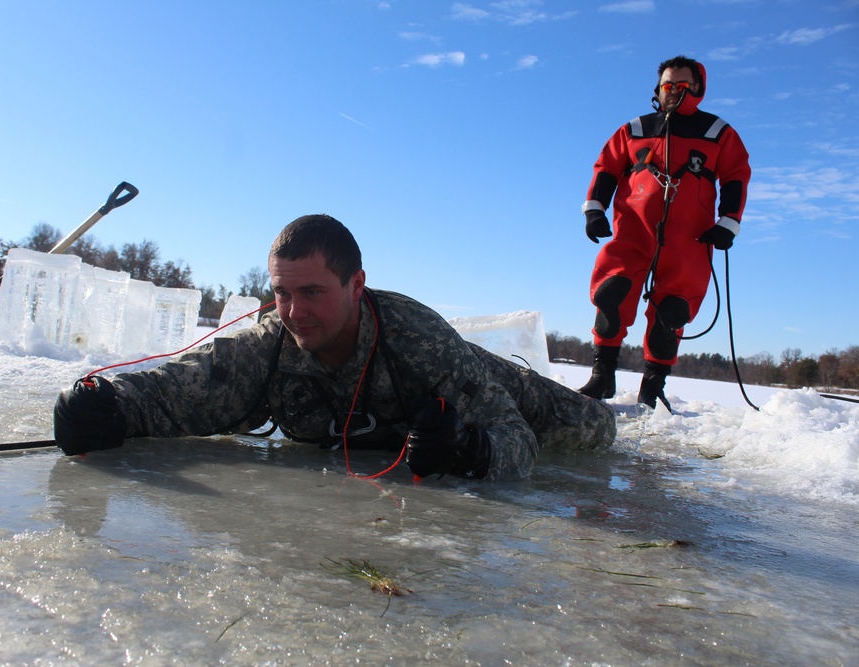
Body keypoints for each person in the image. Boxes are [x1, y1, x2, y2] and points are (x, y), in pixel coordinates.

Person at [54, 214, 616, 481]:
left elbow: (514, 434)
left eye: (313, 293)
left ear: (356, 285)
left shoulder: (419, 341)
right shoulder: (274, 339)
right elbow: (189, 384)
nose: (293, 312)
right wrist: (109, 403)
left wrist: (471, 449)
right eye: (281, 293)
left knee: (593, 428)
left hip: (485, 380)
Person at [578, 55, 751, 410]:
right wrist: (595, 209)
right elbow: (606, 168)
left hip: (691, 238)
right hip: (633, 229)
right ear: (658, 89)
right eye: (668, 85)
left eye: (682, 85)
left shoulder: (718, 132)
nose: (674, 91)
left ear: (698, 88)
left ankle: (652, 388)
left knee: (672, 312)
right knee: (611, 294)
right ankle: (601, 377)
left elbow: (735, 176)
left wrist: (728, 222)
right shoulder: (635, 129)